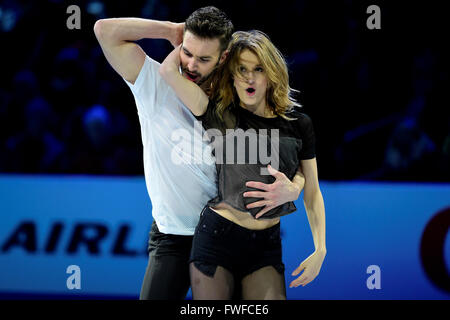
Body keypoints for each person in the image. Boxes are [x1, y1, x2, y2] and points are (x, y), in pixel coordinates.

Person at [94, 7, 305, 300]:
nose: (191, 64)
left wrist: (293, 188)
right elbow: (105, 31)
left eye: (204, 58)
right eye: (187, 53)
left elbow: (292, 153)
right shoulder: (153, 82)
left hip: (231, 234)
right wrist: (170, 30)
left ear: (224, 57)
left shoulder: (242, 98)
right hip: (173, 237)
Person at [159, 30, 326, 299]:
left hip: (266, 244)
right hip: (216, 237)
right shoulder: (216, 113)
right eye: (242, 69)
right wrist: (184, 35)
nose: (249, 77)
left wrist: (320, 249)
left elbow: (313, 191)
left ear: (271, 73)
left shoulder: (298, 124)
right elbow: (168, 71)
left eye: (258, 69)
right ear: (231, 74)